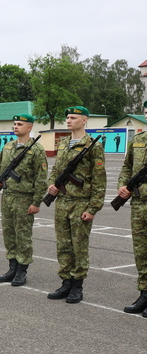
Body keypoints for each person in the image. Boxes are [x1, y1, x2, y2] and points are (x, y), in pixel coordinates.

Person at [45, 106, 106, 303]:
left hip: (81, 204)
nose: (69, 120)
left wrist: (93, 208)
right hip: (62, 202)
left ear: (84, 120)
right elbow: (55, 172)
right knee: (63, 245)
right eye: (68, 117)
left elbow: (99, 180)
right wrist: (52, 186)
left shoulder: (93, 145)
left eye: (73, 117)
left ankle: (77, 286)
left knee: (79, 246)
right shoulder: (63, 143)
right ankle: (65, 282)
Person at [0, 114, 48, 286]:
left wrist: (36, 202)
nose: (15, 126)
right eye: (14, 123)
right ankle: (12, 267)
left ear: (29, 127)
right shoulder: (8, 147)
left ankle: (22, 270)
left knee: (23, 235)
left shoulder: (37, 150)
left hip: (24, 199)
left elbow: (41, 179)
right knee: (9, 234)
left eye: (20, 124)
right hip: (7, 197)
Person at [120, 100, 147, 315]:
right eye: (145, 112)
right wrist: (123, 184)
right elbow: (127, 166)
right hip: (138, 204)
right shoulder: (138, 139)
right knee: (141, 252)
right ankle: (144, 293)